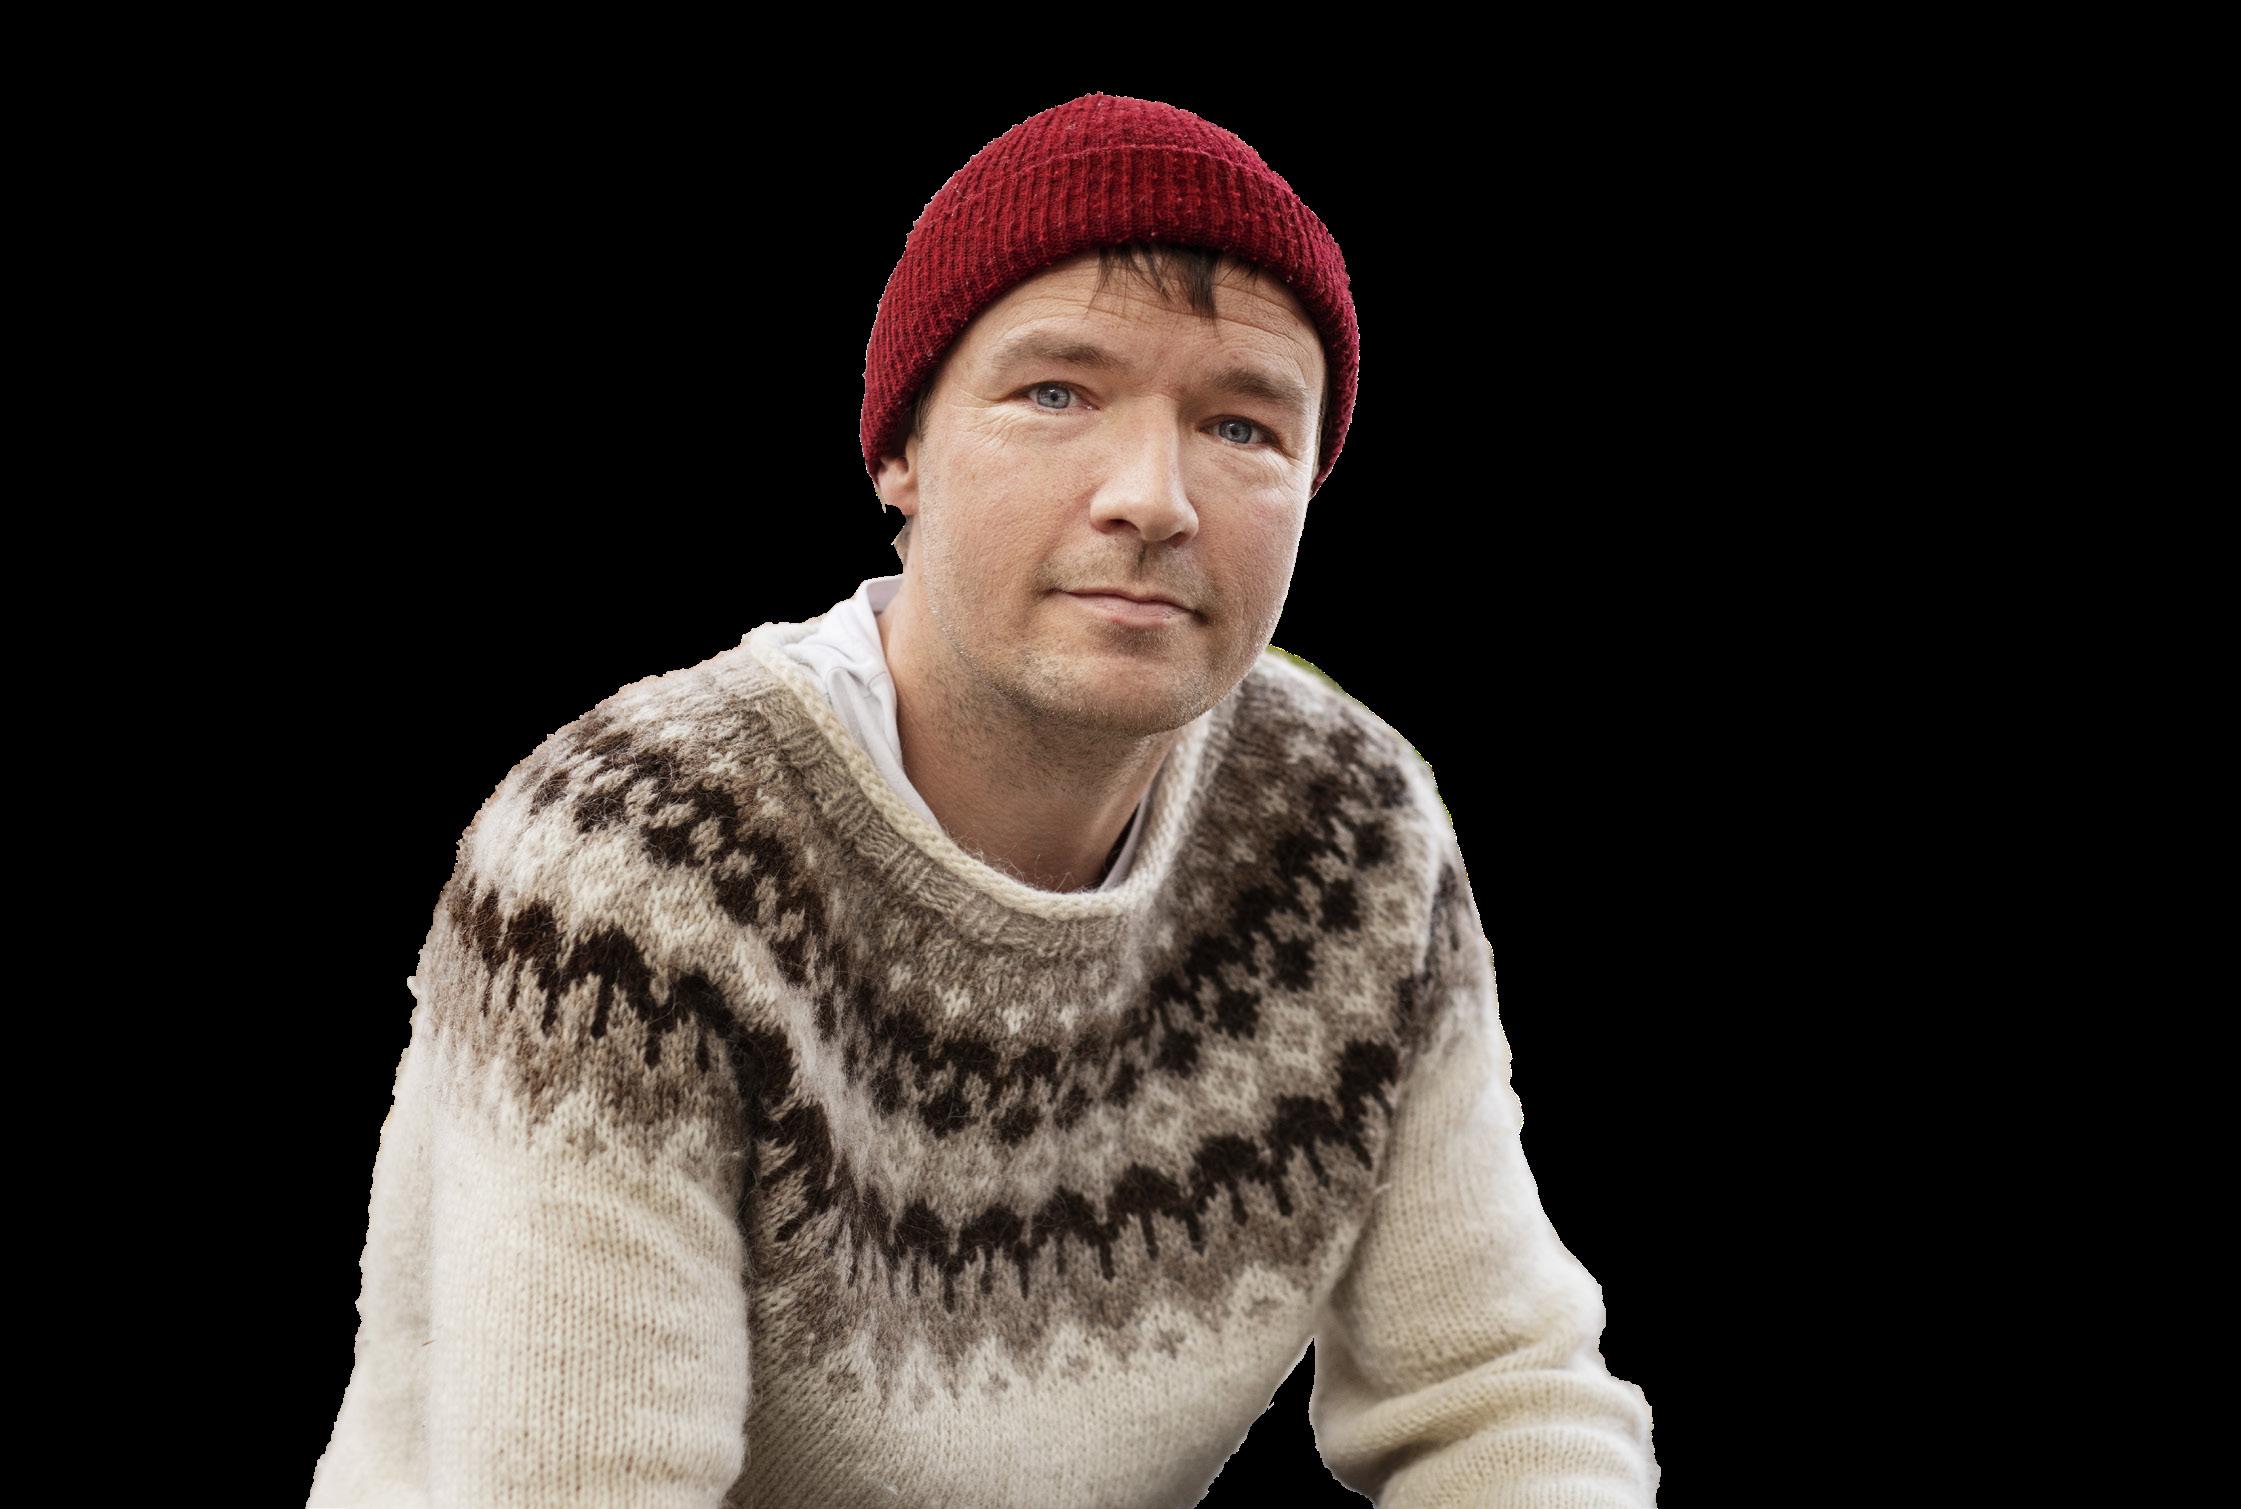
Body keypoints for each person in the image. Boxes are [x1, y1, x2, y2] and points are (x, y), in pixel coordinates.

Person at [306, 91, 1658, 1508]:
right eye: (1056, 393)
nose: (1154, 497)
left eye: (1242, 425)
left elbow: (1496, 1397)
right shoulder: (629, 865)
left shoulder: (1348, 833)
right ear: (901, 451)